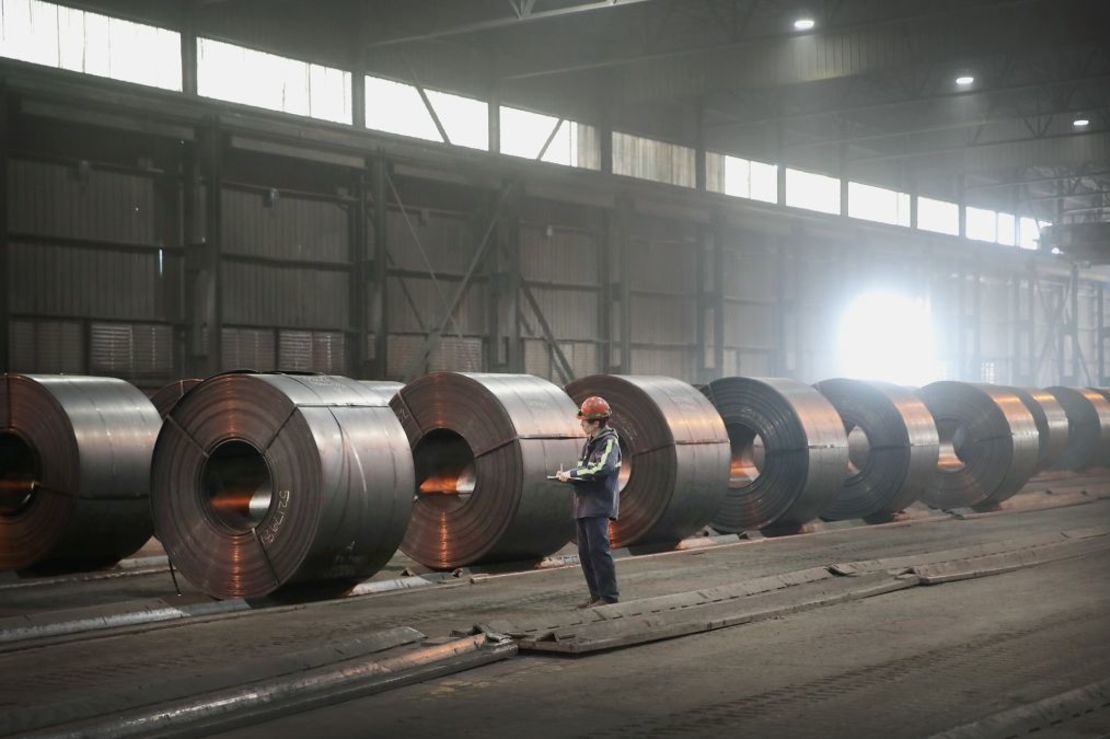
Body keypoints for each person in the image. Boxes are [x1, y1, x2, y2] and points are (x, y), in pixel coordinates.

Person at [556, 395, 621, 607]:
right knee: (585, 553)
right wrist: (570, 476)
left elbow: (602, 469)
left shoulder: (609, 442)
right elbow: (586, 469)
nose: (581, 424)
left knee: (598, 551)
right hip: (584, 504)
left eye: (584, 420)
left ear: (596, 422)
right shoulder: (589, 443)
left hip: (598, 505)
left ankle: (608, 596)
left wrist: (571, 474)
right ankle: (596, 595)